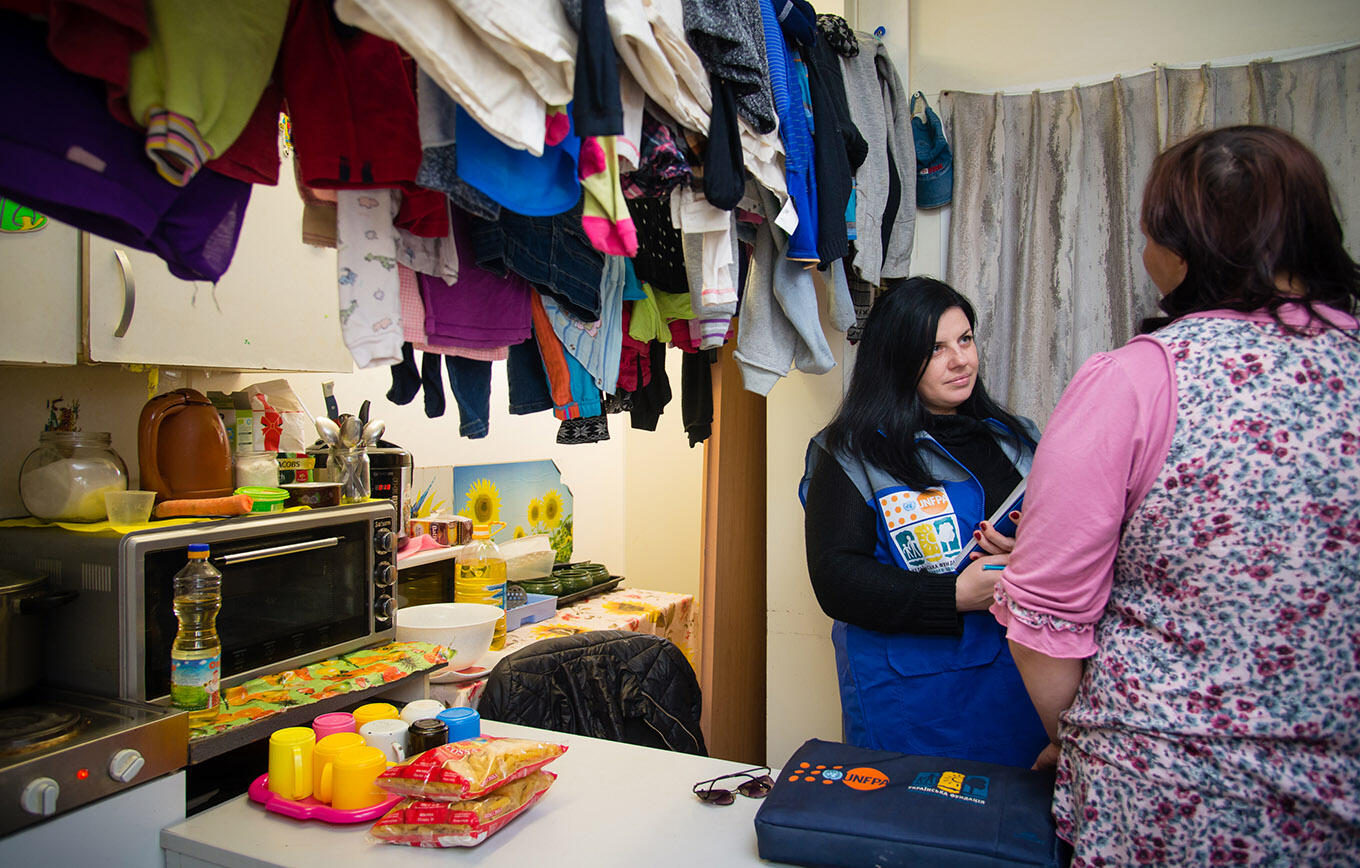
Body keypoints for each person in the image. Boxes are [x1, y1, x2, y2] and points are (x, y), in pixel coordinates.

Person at [993, 125, 1360, 864]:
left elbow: (1042, 614)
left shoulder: (1135, 381)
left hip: (1164, 793)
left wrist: (1080, 736)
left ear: (1182, 247)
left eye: (1149, 233)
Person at [800, 276, 1049, 768]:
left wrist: (1029, 558)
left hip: (1022, 688)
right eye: (935, 349)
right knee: (915, 832)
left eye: (965, 339)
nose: (961, 360)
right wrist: (955, 596)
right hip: (914, 704)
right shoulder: (852, 453)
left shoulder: (1018, 443)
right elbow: (837, 581)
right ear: (895, 358)